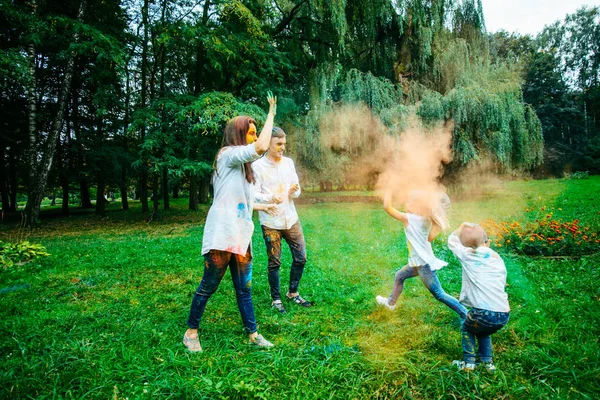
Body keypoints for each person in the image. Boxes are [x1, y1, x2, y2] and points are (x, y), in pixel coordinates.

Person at [183, 92, 278, 353]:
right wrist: (270, 114)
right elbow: (260, 148)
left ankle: (253, 334)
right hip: (223, 234)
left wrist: (268, 201)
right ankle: (191, 332)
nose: (255, 137)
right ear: (238, 135)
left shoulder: (243, 168)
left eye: (256, 132)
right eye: (251, 133)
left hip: (241, 236)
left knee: (244, 289)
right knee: (208, 285)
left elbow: (246, 199)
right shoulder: (226, 155)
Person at [375, 190, 467, 319]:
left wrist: (389, 189)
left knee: (439, 294)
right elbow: (429, 238)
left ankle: (466, 314)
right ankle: (390, 303)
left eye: (410, 201)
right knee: (400, 276)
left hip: (423, 265)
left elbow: (387, 207)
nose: (407, 203)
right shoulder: (427, 220)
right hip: (418, 262)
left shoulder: (410, 219)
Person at [252, 127, 311, 314]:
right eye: (278, 144)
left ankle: (293, 293)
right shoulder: (257, 167)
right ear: (268, 144)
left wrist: (295, 191)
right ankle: (276, 300)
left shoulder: (288, 163)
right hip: (270, 221)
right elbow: (253, 194)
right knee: (274, 262)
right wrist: (270, 198)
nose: (282, 148)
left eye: (284, 144)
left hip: (291, 218)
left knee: (301, 257)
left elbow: (297, 190)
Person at [448, 223, 510, 372]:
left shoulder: (466, 255)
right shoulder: (496, 258)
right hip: (503, 312)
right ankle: (487, 363)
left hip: (482, 312)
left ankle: (469, 363)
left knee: (467, 329)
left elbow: (452, 241)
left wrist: (460, 227)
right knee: (484, 330)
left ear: (466, 245)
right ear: (486, 241)